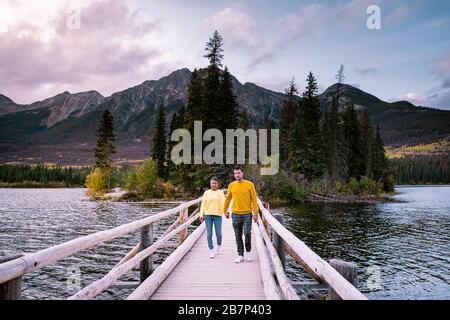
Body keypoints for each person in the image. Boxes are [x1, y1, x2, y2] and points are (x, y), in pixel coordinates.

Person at [223, 166, 259, 263]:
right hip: (235, 214)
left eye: (238, 173)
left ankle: (248, 252)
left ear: (242, 173)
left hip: (247, 213)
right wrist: (225, 210)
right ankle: (240, 254)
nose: (237, 175)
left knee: (247, 233)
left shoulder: (249, 184)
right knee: (237, 235)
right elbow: (227, 199)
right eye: (235, 173)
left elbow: (254, 199)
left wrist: (256, 213)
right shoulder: (231, 185)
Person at [199, 176, 225, 258]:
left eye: (215, 183)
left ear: (218, 184)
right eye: (212, 183)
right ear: (210, 184)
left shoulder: (220, 193)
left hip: (218, 215)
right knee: (209, 234)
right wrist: (201, 214)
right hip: (208, 215)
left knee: (219, 233)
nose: (214, 185)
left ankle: (218, 245)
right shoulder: (206, 192)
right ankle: (211, 250)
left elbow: (224, 203)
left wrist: (226, 212)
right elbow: (203, 204)